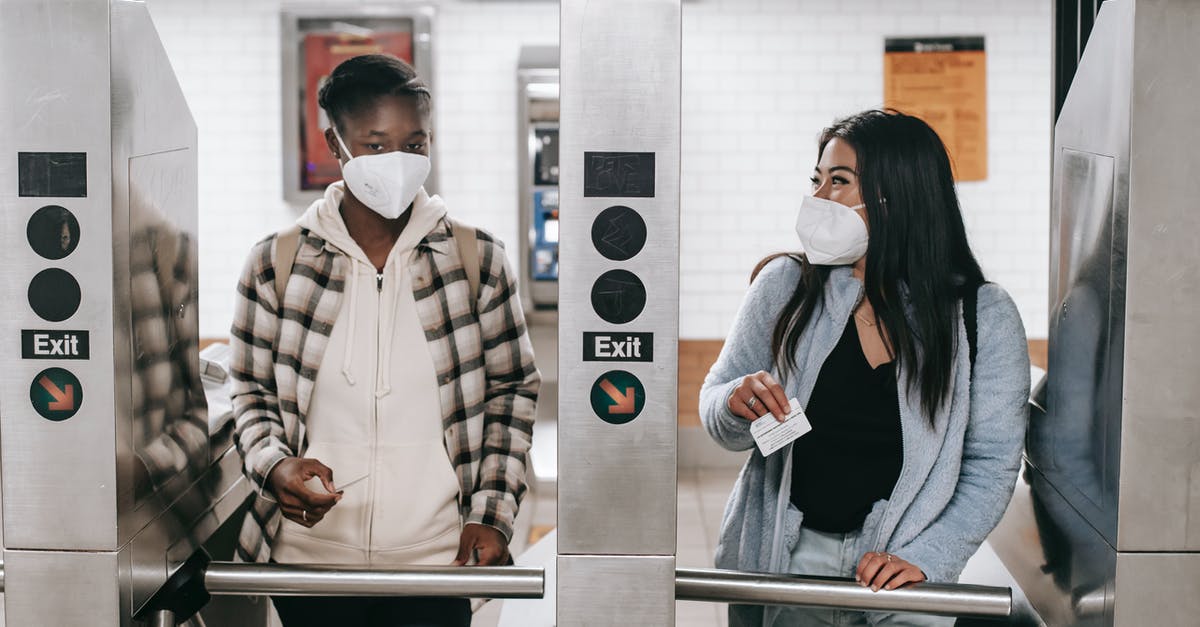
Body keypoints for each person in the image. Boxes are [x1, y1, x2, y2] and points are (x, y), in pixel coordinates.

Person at [229, 54, 540, 627]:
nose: (397, 162)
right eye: (375, 146)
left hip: (435, 563)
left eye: (414, 144)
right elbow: (249, 388)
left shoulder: (477, 261)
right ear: (335, 142)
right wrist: (273, 467)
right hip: (307, 564)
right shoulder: (277, 262)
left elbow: (512, 392)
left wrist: (493, 514)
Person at [699, 109, 1029, 627]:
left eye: (840, 181)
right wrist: (734, 404)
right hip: (784, 563)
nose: (818, 197)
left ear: (896, 194)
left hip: (901, 570)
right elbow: (718, 406)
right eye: (817, 179)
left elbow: (990, 466)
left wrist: (929, 557)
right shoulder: (786, 286)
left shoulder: (981, 316)